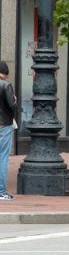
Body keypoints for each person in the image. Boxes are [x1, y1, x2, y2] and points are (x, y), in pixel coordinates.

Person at [0, 61, 17, 201]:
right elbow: (12, 105)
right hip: (3, 125)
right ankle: (1, 191)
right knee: (3, 157)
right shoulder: (6, 85)